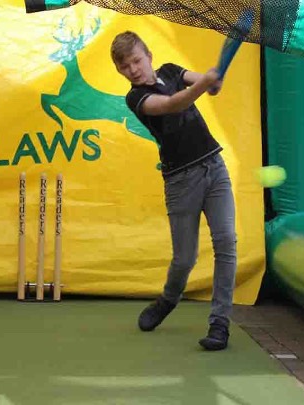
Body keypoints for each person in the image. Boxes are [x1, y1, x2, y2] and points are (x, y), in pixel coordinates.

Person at [110, 31, 238, 351]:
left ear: (149, 56)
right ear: (120, 71)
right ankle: (168, 299)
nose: (133, 69)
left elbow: (201, 81)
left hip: (214, 167)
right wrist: (204, 84)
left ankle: (219, 323)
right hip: (181, 182)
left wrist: (212, 82)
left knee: (226, 242)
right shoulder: (136, 98)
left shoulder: (169, 70)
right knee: (184, 260)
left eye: (136, 61)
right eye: (125, 66)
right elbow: (172, 104)